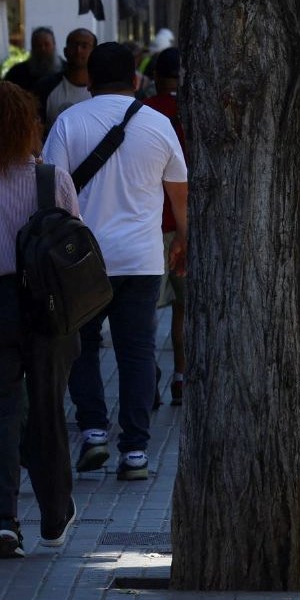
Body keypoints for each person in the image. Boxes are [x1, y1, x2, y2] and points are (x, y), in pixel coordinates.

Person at [43, 43, 188, 482]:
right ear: (135, 79)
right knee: (137, 350)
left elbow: (50, 194)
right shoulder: (158, 124)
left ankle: (92, 432)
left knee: (81, 346)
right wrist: (183, 240)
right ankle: (137, 451)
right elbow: (180, 192)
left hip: (81, 260)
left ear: (88, 77)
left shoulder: (69, 122)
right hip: (142, 258)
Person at [0, 83, 82, 560]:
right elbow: (72, 244)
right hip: (46, 306)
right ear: (32, 128)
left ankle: (4, 521)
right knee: (47, 410)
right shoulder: (55, 179)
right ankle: (54, 515)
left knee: (3, 413)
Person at [145, 48, 188, 406]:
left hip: (149, 225)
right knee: (184, 307)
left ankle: (148, 375)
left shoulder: (142, 112)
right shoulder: (194, 112)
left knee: (147, 308)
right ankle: (181, 376)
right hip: (186, 224)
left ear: (156, 75)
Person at [41, 28, 99, 129]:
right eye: (74, 45)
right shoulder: (45, 88)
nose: (78, 50)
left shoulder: (105, 89)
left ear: (94, 52)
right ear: (65, 51)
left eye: (84, 46)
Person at [1, 26, 60, 94]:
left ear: (54, 45)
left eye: (46, 44)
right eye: (38, 45)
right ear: (32, 47)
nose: (42, 49)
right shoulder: (16, 73)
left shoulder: (66, 71)